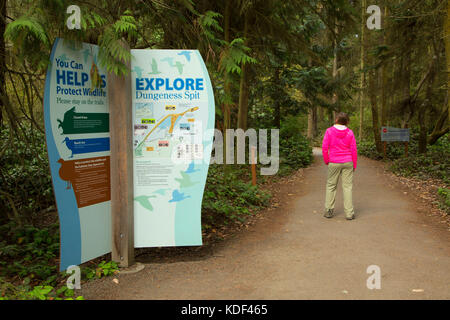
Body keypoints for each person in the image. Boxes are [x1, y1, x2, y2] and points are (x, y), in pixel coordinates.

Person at [321, 112, 358, 220]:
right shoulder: (350, 133)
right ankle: (349, 213)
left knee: (331, 186)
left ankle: (328, 211)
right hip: (348, 162)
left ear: (336, 119)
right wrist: (354, 164)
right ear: (347, 121)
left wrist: (327, 160)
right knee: (347, 187)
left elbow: (324, 147)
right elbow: (354, 149)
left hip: (334, 161)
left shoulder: (329, 131)